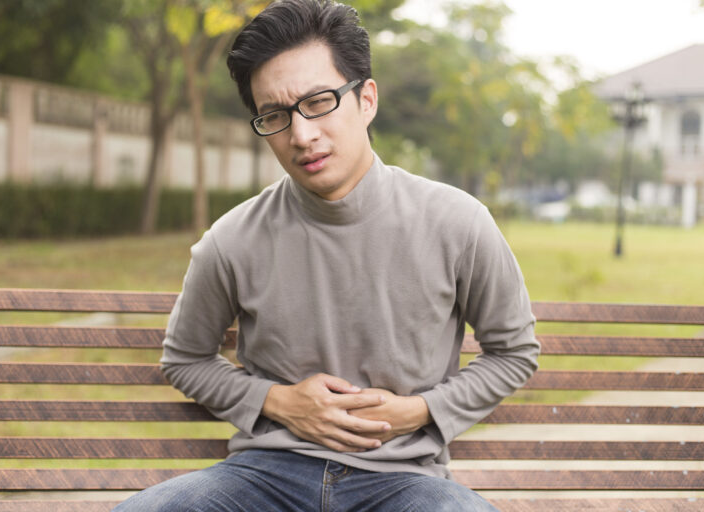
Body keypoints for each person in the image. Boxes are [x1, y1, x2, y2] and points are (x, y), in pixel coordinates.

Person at [113, 0, 539, 510]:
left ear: (366, 100)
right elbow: (185, 358)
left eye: (319, 102)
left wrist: (421, 410)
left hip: (404, 482)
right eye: (274, 115)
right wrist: (277, 401)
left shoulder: (457, 221)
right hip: (263, 476)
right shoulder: (232, 239)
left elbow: (514, 351)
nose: (301, 135)